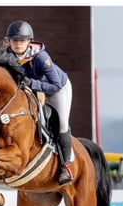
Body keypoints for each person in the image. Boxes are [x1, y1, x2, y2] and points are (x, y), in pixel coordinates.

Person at [4, 20, 73, 185]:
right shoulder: (6, 56)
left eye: (21, 40)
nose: (18, 44)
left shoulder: (41, 57)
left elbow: (55, 84)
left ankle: (65, 167)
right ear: (9, 41)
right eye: (14, 40)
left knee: (61, 124)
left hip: (57, 89)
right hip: (32, 90)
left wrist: (32, 84)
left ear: (29, 41)